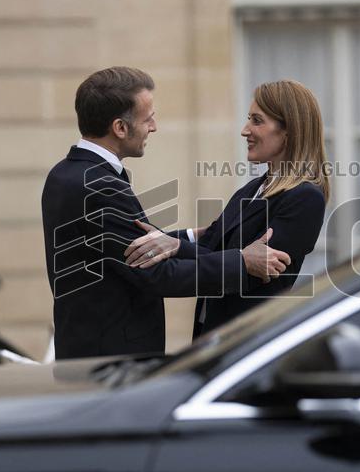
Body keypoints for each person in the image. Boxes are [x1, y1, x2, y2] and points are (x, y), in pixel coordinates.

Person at [41, 67, 291, 359]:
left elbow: (121, 246)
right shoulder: (100, 185)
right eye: (148, 119)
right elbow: (156, 274)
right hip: (111, 361)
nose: (154, 127)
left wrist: (186, 238)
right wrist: (242, 263)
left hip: (86, 349)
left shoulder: (65, 173)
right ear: (120, 128)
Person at [125, 79, 329, 339]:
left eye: (257, 121)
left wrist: (174, 246)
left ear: (289, 130)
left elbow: (256, 273)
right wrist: (153, 240)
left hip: (249, 341)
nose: (245, 131)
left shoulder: (305, 197)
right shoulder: (251, 190)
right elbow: (211, 245)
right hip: (212, 336)